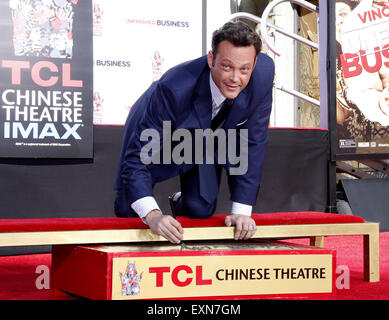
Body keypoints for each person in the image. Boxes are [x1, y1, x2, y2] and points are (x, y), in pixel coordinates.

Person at [114, 21, 274, 244]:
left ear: (255, 63)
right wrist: (153, 215)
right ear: (211, 59)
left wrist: (242, 212)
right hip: (159, 130)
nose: (235, 78)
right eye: (227, 67)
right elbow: (137, 159)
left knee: (200, 209)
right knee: (128, 211)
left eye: (244, 69)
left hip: (205, 139)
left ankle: (179, 200)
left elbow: (253, 143)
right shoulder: (174, 88)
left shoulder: (264, 75)